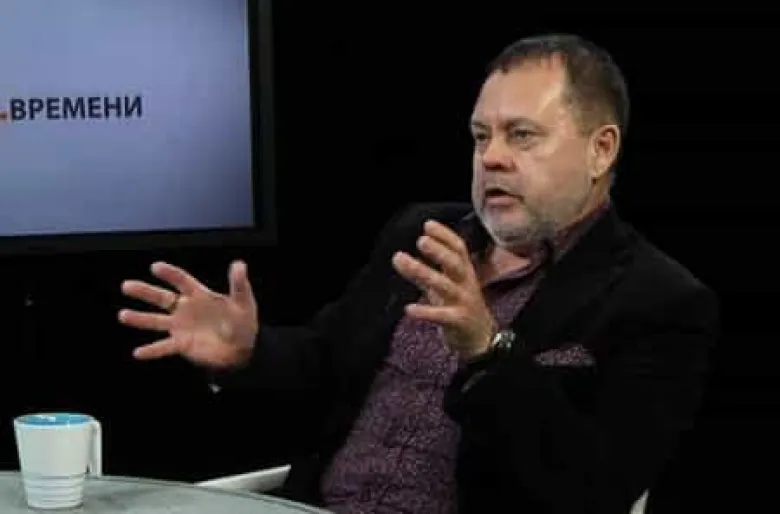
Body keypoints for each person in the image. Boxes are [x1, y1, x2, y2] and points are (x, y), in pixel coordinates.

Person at [118, 33, 719, 513]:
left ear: (601, 149)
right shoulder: (422, 234)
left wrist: (488, 352)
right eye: (481, 136)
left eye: (522, 136)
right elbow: (324, 364)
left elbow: (593, 489)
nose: (491, 157)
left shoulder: (659, 301)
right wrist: (249, 352)